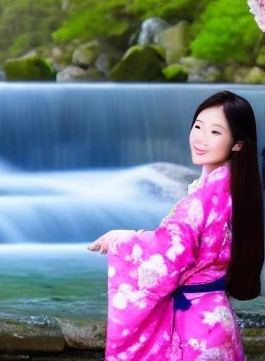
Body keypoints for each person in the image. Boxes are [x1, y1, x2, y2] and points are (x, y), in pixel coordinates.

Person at [88, 91, 264, 360]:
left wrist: (121, 240)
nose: (200, 138)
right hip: (217, 319)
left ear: (238, 143)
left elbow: (166, 256)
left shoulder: (200, 201)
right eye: (198, 126)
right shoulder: (234, 191)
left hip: (192, 327)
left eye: (215, 132)